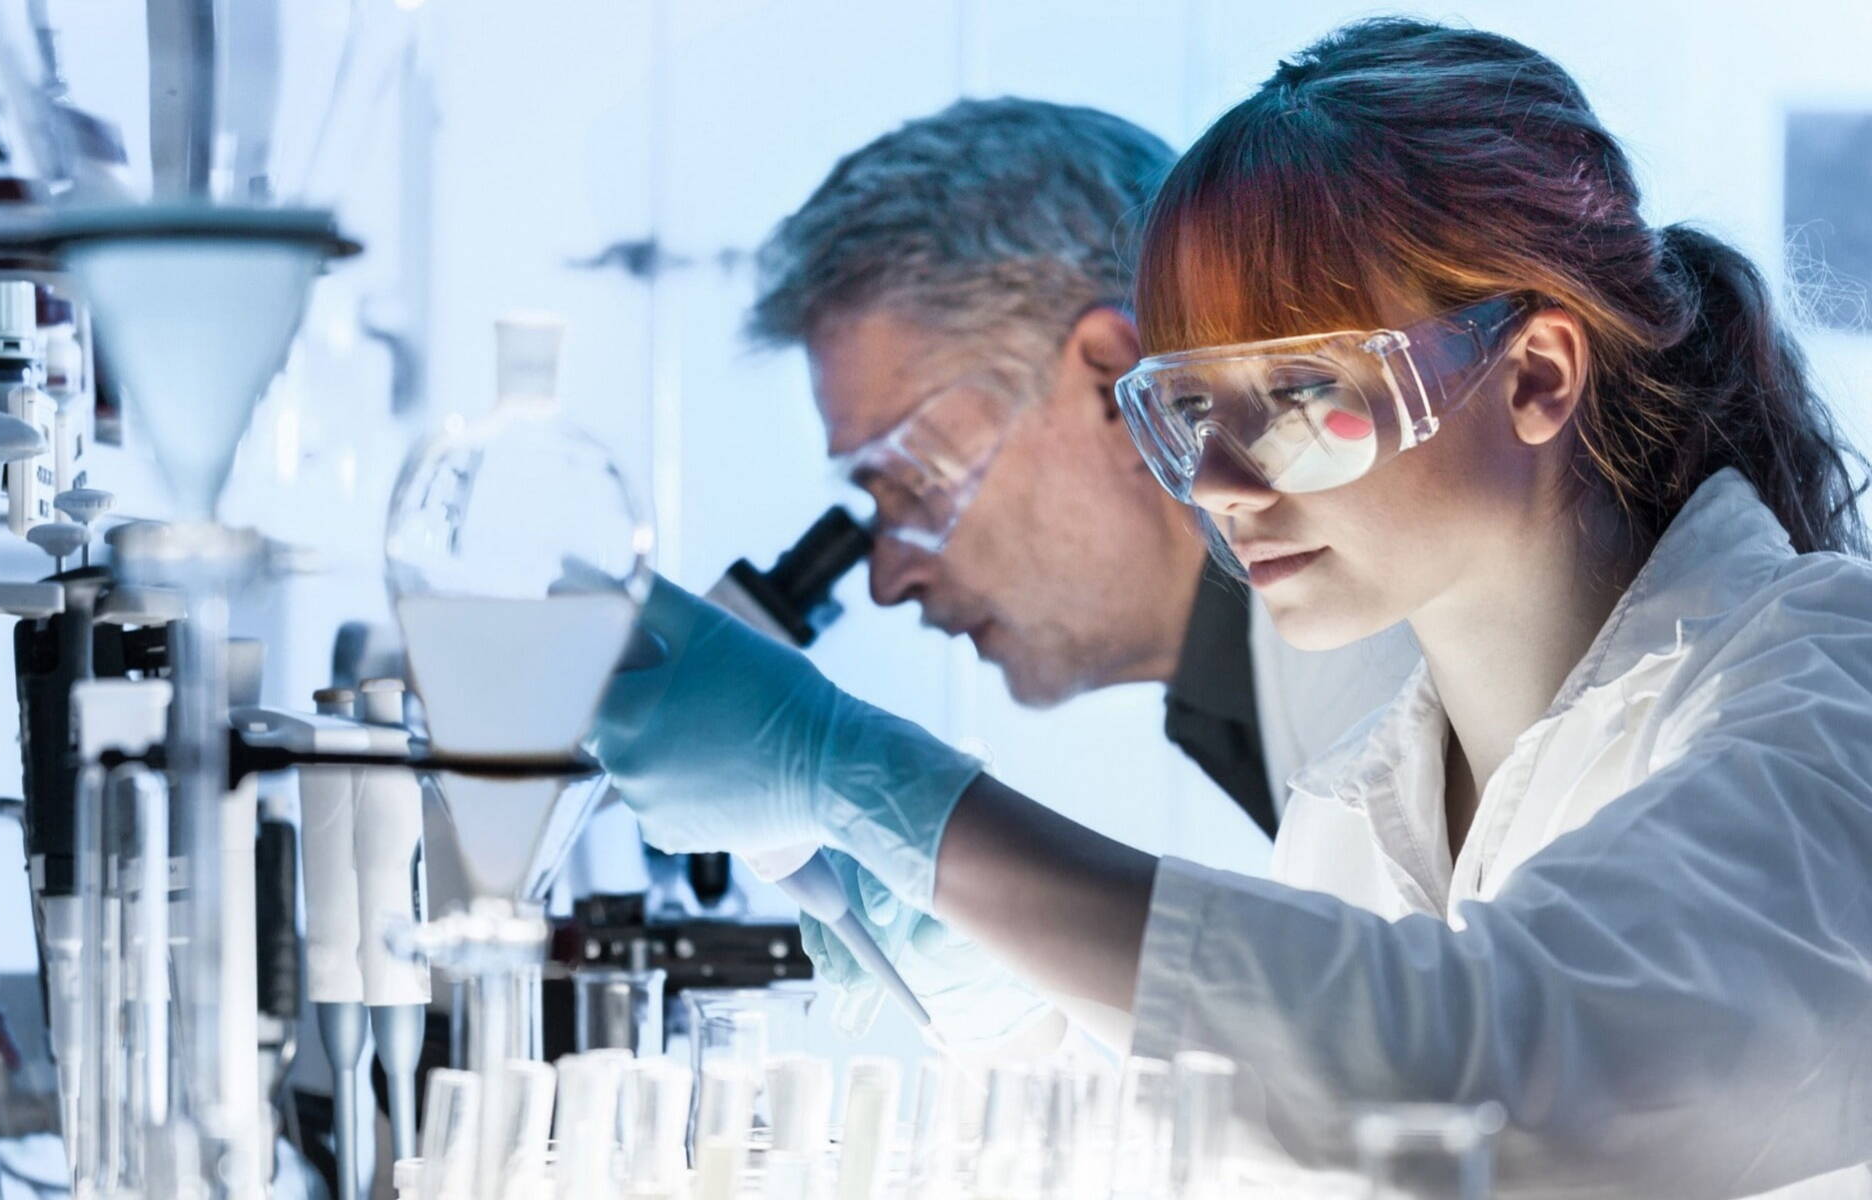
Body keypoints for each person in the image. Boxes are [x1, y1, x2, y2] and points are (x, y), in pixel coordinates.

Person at [592, 18, 1872, 1199]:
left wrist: (896, 794)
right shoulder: (1358, 807)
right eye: (1192, 410)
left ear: (1533, 374)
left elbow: (1488, 1077)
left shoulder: (1827, 689)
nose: (1215, 481)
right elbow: (1285, 1133)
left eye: (1306, 391)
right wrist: (1010, 1002)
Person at [741, 99, 1416, 1041]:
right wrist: (1038, 1000)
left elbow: (1419, 1071)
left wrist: (914, 816)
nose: (889, 578)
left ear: (1114, 380)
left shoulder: (1382, 640)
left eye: (910, 483)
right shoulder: (1255, 679)